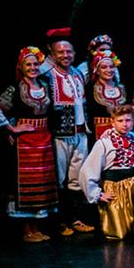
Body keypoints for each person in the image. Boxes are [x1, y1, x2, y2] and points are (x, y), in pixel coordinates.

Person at [0, 46, 60, 241]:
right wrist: (12, 128)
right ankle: (27, 230)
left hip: (44, 139)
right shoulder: (16, 88)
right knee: (27, 183)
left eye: (35, 64)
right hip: (25, 144)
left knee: (41, 183)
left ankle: (37, 228)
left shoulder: (44, 85)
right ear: (21, 66)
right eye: (28, 64)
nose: (33, 68)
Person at [78, 107, 134, 241]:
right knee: (118, 233)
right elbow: (87, 170)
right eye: (120, 121)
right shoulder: (104, 143)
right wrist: (96, 193)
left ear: (133, 122)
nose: (125, 124)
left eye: (128, 120)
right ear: (113, 122)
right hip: (113, 184)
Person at [45, 33, 95, 236]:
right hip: (60, 135)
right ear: (52, 53)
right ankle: (57, 223)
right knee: (58, 179)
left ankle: (75, 219)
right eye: (61, 52)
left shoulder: (77, 74)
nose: (65, 55)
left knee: (77, 179)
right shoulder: (48, 75)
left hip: (81, 134)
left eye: (69, 51)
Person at [86, 50, 128, 140]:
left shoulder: (123, 88)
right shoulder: (90, 89)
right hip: (99, 135)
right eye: (104, 67)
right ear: (97, 71)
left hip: (123, 134)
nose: (109, 70)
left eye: (111, 67)